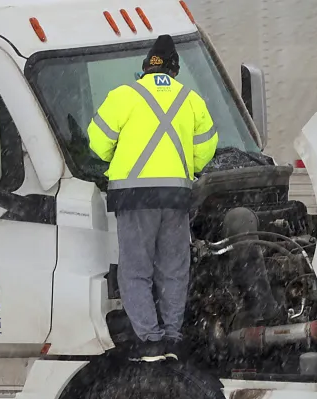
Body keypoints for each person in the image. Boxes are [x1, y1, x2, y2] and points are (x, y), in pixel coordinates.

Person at [87, 34, 219, 362]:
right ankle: (173, 337)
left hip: (134, 198)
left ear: (146, 67)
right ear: (174, 69)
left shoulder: (123, 96)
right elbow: (205, 151)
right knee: (174, 268)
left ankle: (149, 340)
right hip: (175, 197)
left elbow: (97, 144)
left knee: (135, 270)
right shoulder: (191, 100)